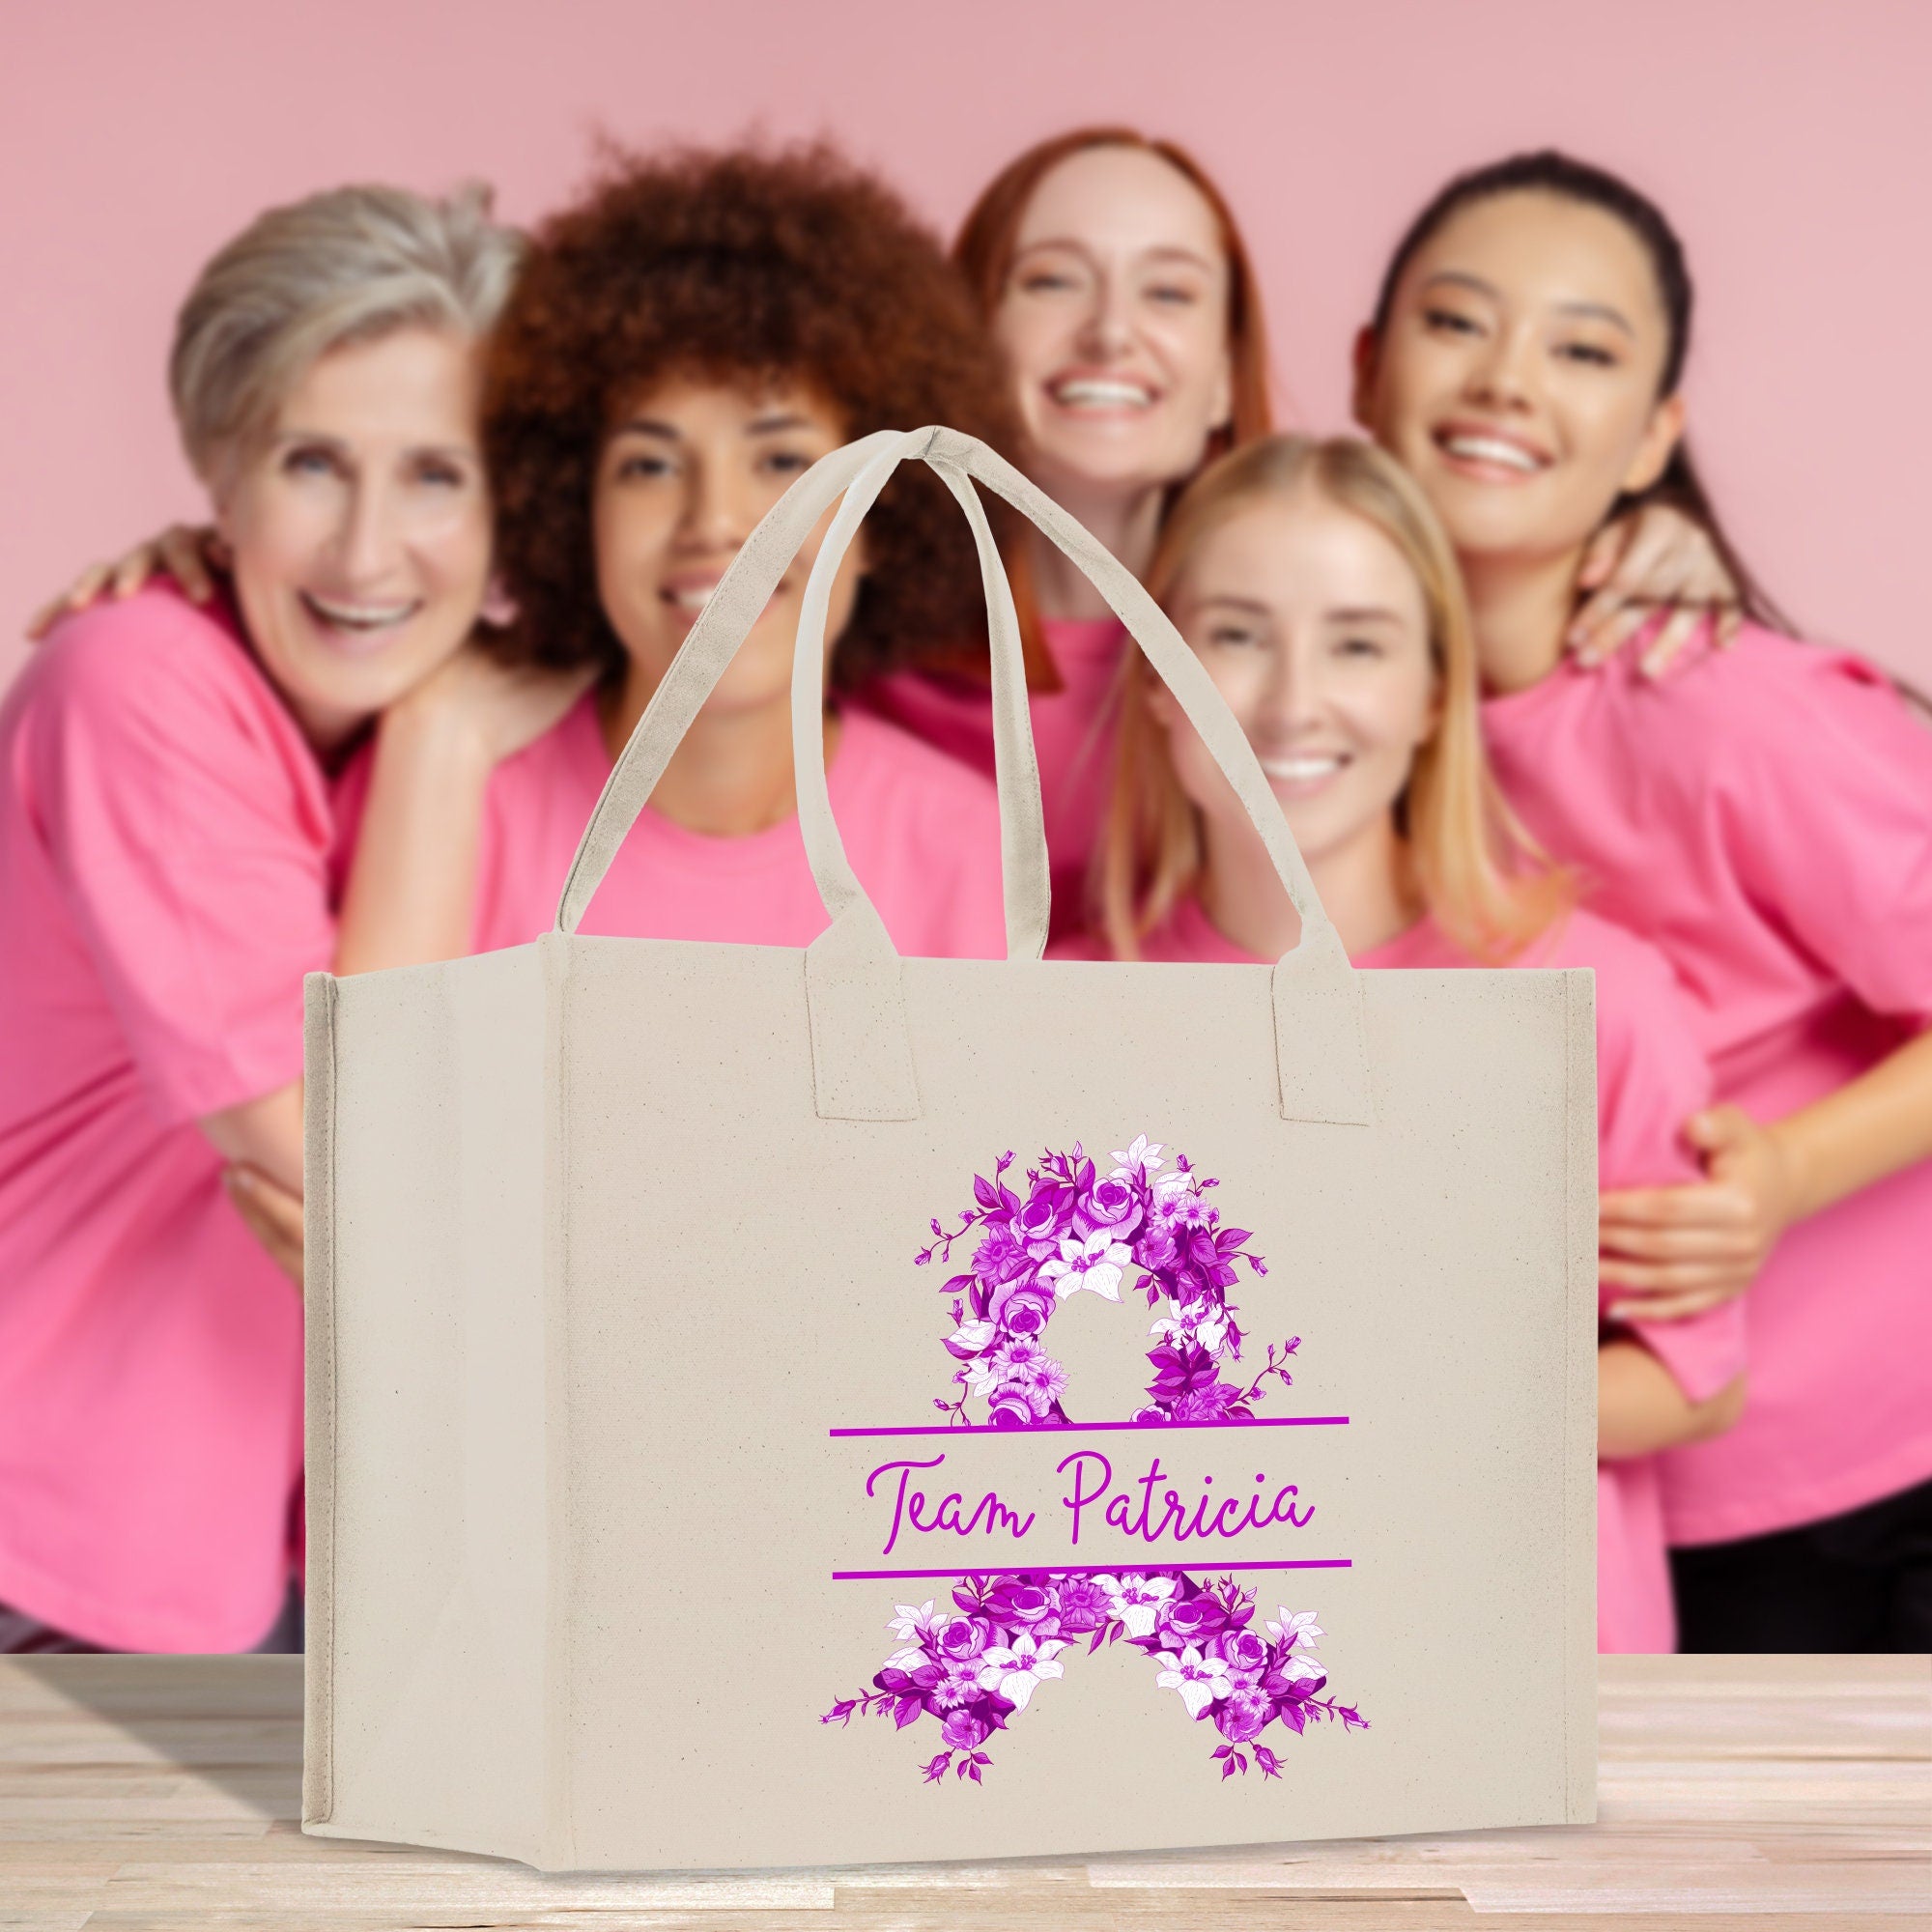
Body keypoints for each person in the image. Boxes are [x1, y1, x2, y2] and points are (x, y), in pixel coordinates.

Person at [1353, 150, 1932, 1649]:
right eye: (1457, 322)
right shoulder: (1328, 705)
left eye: (1584, 350)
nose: (1508, 382)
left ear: (1652, 437)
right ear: (1366, 368)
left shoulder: (1717, 703)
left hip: (1866, 1476)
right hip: (1591, 1473)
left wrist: (1785, 1176)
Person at [0, 185, 583, 1653]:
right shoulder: (134, 681)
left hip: (278, 1563)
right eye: (311, 463)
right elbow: (339, 1148)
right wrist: (451, 742)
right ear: (222, 474)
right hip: (49, 1542)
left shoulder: (450, 711)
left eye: (437, 474)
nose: (367, 549)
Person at [1059, 432, 1746, 1651]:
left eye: (1358, 642)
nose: (1288, 700)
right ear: (1159, 678)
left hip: (1516, 1658)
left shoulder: (1584, 996)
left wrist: (1358, 1401)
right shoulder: (1056, 1007)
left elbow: (1695, 1382)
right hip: (1197, 1679)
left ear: (1434, 692)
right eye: (1233, 632)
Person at [861, 127, 1745, 934]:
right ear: (966, 338)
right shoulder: (850, 650)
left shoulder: (1330, 612)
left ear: (1221, 373)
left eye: (1169, 291)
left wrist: (1640, 529)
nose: (1112, 331)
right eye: (1051, 279)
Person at [328, 143, 1017, 965]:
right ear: (573, 511)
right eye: (649, 465)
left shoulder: (971, 856)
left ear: (884, 518)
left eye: (782, 461)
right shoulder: (436, 804)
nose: (715, 520)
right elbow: (360, 1095)